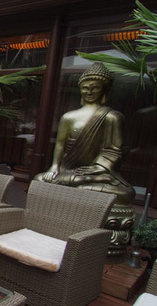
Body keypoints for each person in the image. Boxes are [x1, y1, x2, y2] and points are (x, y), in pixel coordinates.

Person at [35, 62, 135, 205]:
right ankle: (81, 190)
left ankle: (83, 189)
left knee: (126, 194)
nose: (90, 92)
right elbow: (60, 145)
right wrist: (54, 167)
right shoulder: (68, 117)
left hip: (96, 174)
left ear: (104, 89)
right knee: (39, 180)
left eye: (95, 88)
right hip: (69, 171)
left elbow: (114, 151)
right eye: (85, 88)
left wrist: (98, 168)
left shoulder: (112, 117)